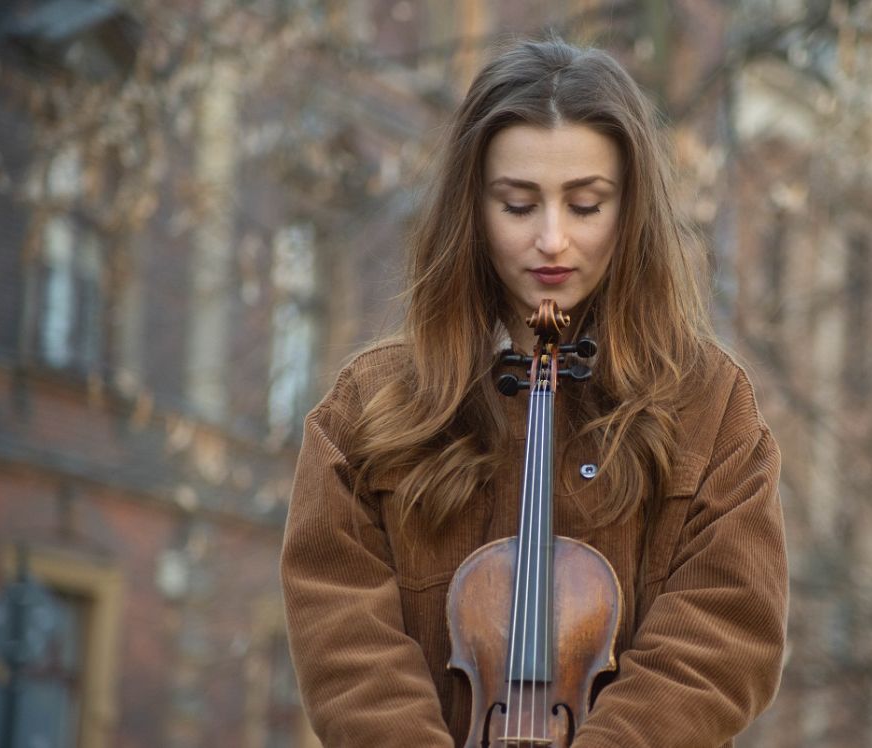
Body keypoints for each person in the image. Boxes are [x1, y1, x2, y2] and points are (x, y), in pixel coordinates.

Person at [280, 37, 788, 748]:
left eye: (585, 205)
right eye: (518, 205)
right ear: (473, 210)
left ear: (630, 211)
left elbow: (722, 636)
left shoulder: (711, 406)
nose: (552, 239)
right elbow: (345, 648)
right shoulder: (367, 408)